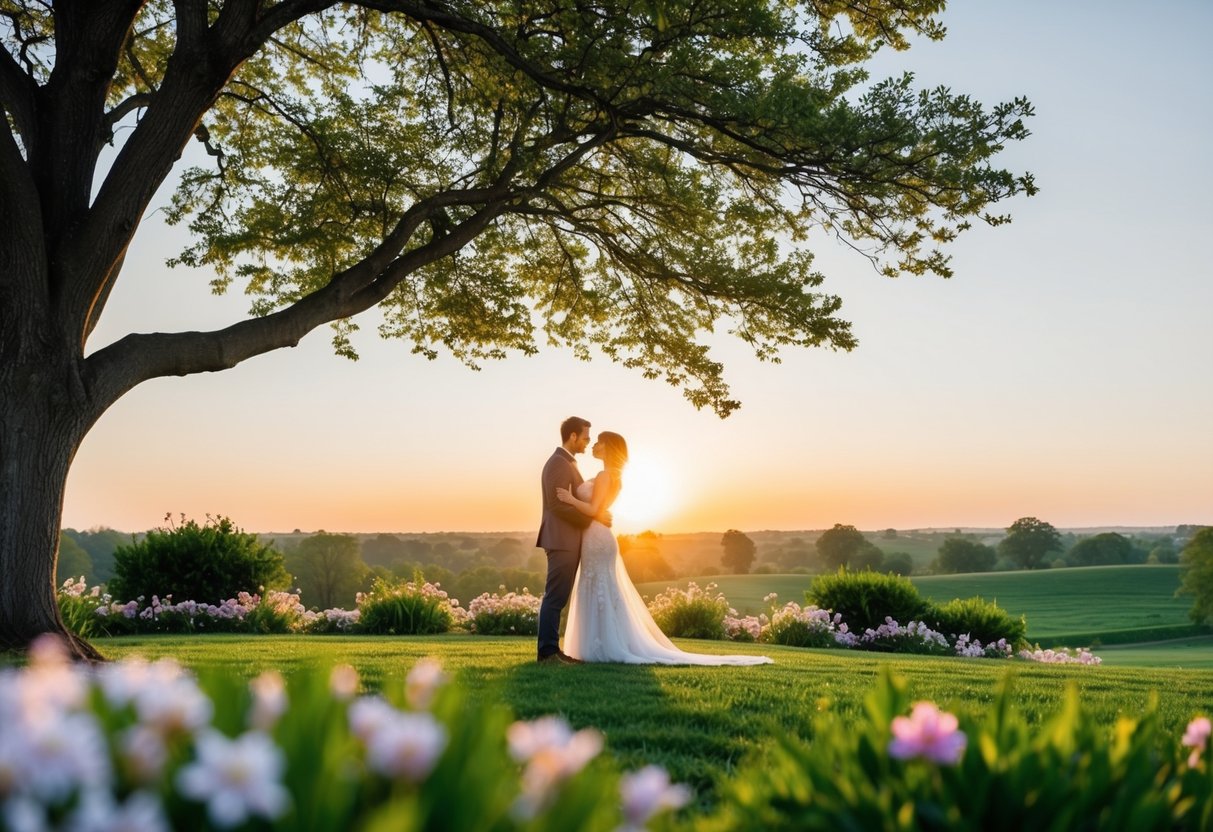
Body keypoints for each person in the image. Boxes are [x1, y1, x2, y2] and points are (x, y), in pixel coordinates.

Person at [556, 432, 772, 666]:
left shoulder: (606, 475)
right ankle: (601, 642)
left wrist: (569, 499)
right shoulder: (609, 476)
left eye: (599, 442)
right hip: (596, 537)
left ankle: (604, 645)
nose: (595, 445)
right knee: (599, 588)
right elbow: (598, 509)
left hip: (597, 539)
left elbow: (593, 509)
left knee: (598, 587)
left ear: (609, 448)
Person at [535, 416, 610, 664]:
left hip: (568, 539)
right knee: (555, 597)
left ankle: (553, 650)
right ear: (573, 436)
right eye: (586, 438)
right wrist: (593, 519)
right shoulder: (558, 463)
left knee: (559, 596)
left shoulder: (568, 462)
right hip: (561, 539)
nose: (588, 442)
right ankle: (547, 653)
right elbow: (557, 505)